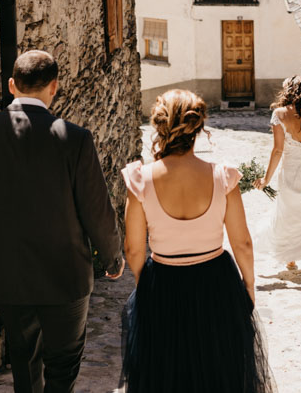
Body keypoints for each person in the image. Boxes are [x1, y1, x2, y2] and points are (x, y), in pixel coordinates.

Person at [0, 50, 123, 393]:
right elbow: (97, 210)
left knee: (24, 364)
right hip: (66, 277)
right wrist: (112, 258)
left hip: (10, 276)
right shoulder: (75, 139)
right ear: (54, 87)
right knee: (63, 367)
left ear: (12, 85)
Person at [121, 89, 274, 393]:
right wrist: (249, 285)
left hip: (163, 282)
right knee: (217, 371)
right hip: (216, 282)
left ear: (159, 126)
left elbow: (133, 249)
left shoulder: (140, 179)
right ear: (199, 128)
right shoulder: (223, 176)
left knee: (167, 372)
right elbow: (242, 242)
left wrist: (145, 284)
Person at [254, 76, 301, 277]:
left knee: (289, 214)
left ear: (287, 91)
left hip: (289, 172)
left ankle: (291, 258)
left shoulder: (279, 114)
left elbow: (277, 150)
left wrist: (266, 179)